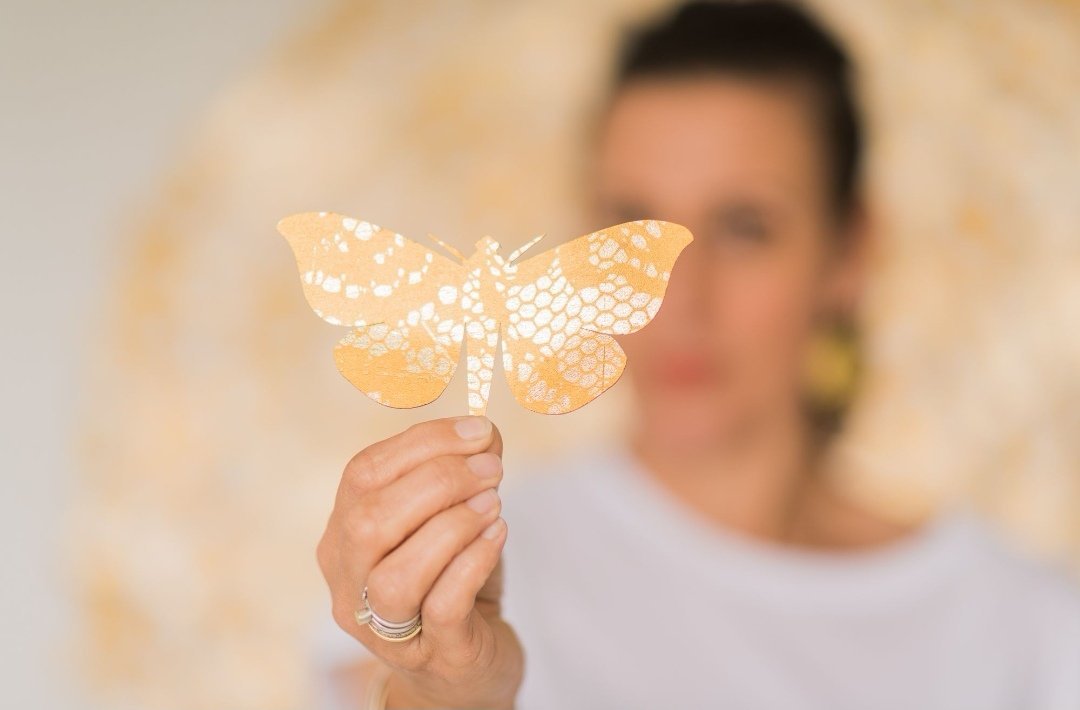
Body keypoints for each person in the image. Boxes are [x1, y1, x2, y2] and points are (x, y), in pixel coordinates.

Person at [308, 2, 1080, 708]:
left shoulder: (1029, 628)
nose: (675, 299)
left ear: (849, 251)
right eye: (632, 228)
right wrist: (451, 694)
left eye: (745, 226)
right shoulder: (451, 579)